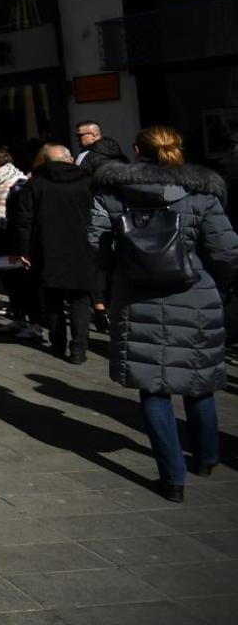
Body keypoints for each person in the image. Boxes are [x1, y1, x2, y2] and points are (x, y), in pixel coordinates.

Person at [89, 125, 237, 502]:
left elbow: (97, 245)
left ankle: (173, 480)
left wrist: (121, 269)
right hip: (195, 293)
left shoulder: (112, 192)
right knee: (198, 380)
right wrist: (215, 282)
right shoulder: (200, 192)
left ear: (136, 150)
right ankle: (206, 458)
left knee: (153, 389)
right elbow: (225, 249)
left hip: (137, 297)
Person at [13, 145, 96, 363]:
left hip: (46, 247)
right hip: (81, 247)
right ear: (70, 159)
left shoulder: (36, 183)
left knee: (52, 299)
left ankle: (57, 342)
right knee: (80, 300)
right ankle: (79, 348)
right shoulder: (87, 181)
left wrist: (24, 250)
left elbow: (24, 220)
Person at [0, 149, 39, 339]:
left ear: (0, 164)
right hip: (2, 240)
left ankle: (35, 324)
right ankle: (19, 319)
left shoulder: (17, 183)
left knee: (23, 283)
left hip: (13, 241)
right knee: (11, 283)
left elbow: (19, 215)